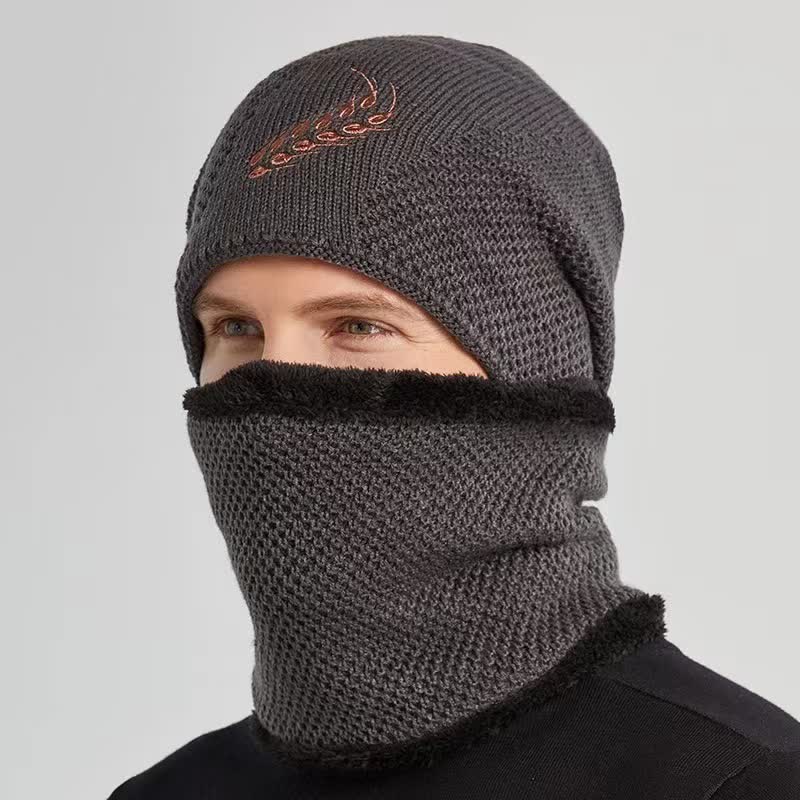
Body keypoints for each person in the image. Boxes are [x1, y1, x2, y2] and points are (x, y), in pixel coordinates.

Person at [107, 34, 800, 799]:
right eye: (235, 328)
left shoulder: (739, 781)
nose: (272, 382)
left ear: (531, 364)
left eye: (358, 325)